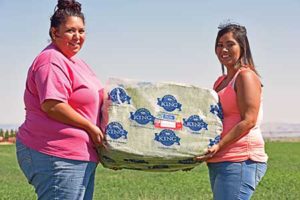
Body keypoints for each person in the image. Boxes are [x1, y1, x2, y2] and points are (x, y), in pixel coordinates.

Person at [16, 0, 104, 199]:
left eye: (81, 31)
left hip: (79, 155)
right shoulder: (50, 61)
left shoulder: (77, 63)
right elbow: (53, 105)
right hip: (55, 153)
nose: (77, 37)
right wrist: (91, 128)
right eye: (70, 31)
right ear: (54, 32)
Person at [195, 23, 268, 200]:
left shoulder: (245, 76)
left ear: (242, 47)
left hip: (241, 158)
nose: (224, 49)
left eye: (230, 44)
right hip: (220, 159)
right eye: (220, 45)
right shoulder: (220, 81)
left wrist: (219, 144)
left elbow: (249, 120)